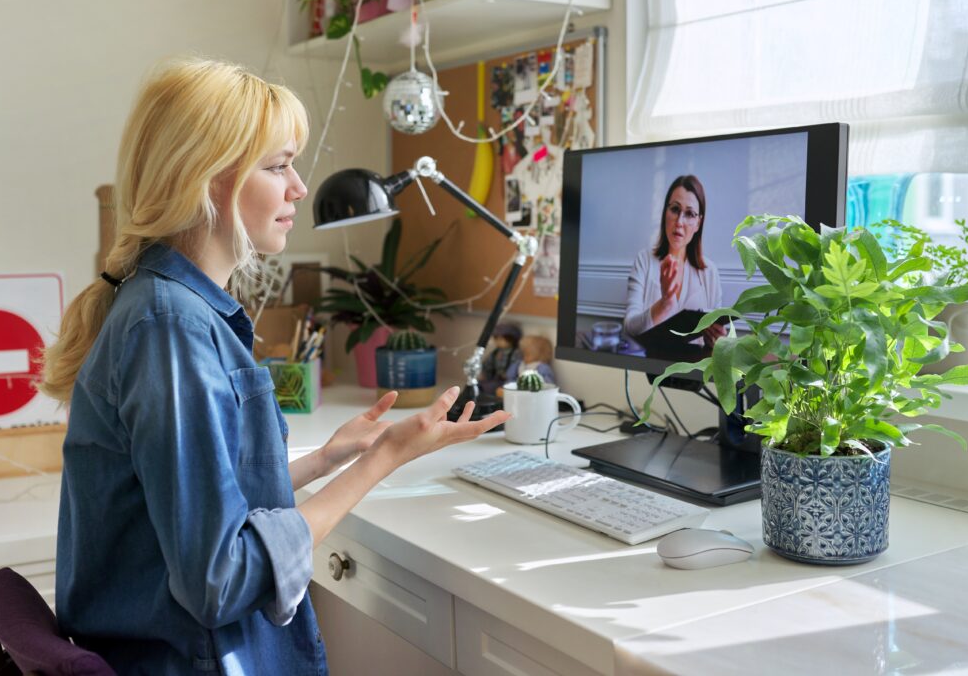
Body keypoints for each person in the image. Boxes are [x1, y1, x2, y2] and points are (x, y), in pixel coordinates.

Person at [39, 58, 508, 675]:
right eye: (279, 165)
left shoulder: (172, 308)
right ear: (208, 179)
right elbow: (221, 579)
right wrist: (385, 458)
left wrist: (326, 459)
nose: (298, 189)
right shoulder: (171, 327)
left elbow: (194, 504)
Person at [623, 175, 725, 352]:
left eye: (689, 214)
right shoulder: (644, 261)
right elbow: (629, 328)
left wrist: (718, 339)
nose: (679, 222)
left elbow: (721, 341)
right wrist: (665, 303)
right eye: (675, 209)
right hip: (650, 371)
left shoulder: (710, 272)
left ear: (698, 223)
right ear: (665, 213)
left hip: (694, 373)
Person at [478, 322, 522, 395]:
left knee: (490, 388)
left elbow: (514, 369)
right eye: (496, 339)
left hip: (507, 381)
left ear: (511, 339)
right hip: (494, 378)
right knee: (478, 385)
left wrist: (507, 376)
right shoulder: (496, 352)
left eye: (501, 339)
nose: (498, 342)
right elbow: (488, 364)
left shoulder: (515, 353)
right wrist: (485, 373)